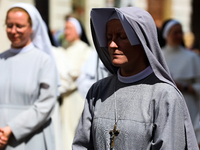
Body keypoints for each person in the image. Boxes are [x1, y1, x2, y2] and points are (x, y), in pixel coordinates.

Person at [72, 7, 199, 149]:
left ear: (142, 41)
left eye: (122, 37)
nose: (112, 45)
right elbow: (81, 145)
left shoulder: (165, 96)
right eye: (109, 38)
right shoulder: (98, 91)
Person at [0, 3, 58, 150]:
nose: (13, 31)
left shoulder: (43, 61)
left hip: (32, 137)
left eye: (19, 26)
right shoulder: (1, 59)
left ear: (32, 27)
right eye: (9, 25)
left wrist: (10, 129)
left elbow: (46, 104)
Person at [53, 16, 93, 150]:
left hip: (77, 97)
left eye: (69, 28)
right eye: (65, 28)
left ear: (78, 31)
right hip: (64, 99)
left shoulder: (85, 50)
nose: (66, 32)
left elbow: (80, 75)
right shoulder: (63, 49)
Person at [159, 19, 200, 147]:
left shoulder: (192, 57)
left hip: (187, 104)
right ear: (166, 34)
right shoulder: (158, 55)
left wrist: (184, 87)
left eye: (180, 32)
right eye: (174, 33)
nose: (178, 36)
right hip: (162, 103)